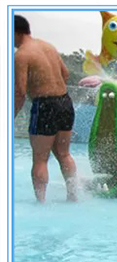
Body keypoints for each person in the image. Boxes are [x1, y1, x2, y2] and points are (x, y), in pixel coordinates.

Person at [14, 14, 78, 203]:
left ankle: (41, 203)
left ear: (15, 33)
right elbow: (65, 74)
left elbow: (20, 92)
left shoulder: (21, 55)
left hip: (45, 106)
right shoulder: (48, 46)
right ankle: (73, 197)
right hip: (65, 102)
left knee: (40, 158)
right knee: (64, 154)